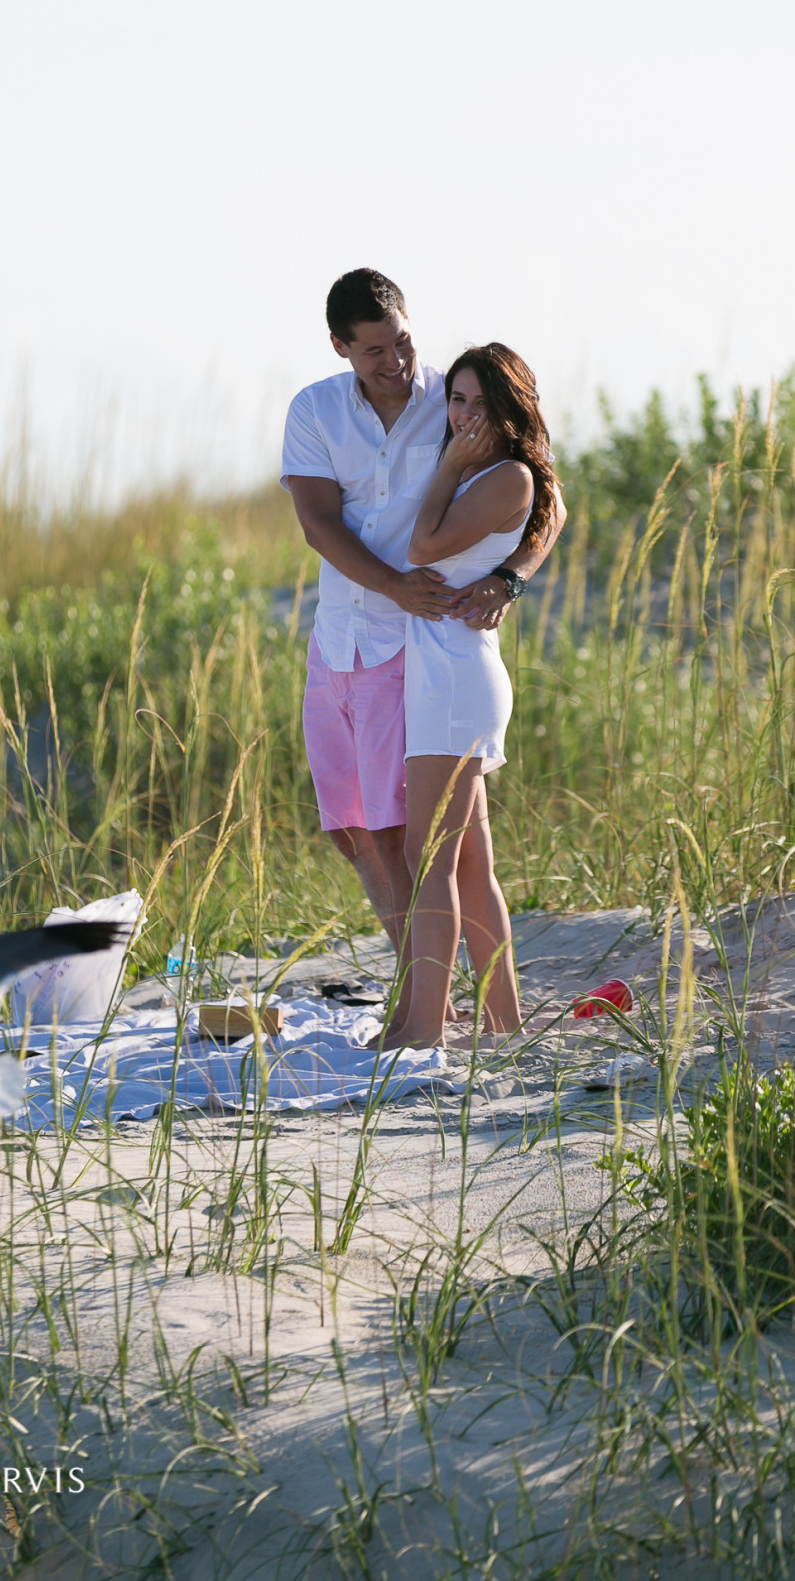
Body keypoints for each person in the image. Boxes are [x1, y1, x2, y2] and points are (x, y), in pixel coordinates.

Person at [282, 269, 565, 974]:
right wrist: (391, 584)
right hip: (333, 642)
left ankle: (426, 992)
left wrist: (512, 576)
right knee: (351, 829)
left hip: (410, 647)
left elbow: (547, 495)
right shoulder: (315, 411)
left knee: (408, 834)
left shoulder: (454, 398)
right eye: (375, 351)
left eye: (403, 342)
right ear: (340, 346)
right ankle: (431, 988)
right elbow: (318, 523)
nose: (396, 362)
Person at [377, 343, 561, 1050]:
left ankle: (425, 1025)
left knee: (429, 860)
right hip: (446, 672)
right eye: (456, 400)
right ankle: (503, 1018)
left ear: (512, 410)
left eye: (482, 404)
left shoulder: (505, 475)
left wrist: (450, 466)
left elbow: (423, 546)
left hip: (454, 678)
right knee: (470, 864)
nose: (464, 415)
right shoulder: (496, 472)